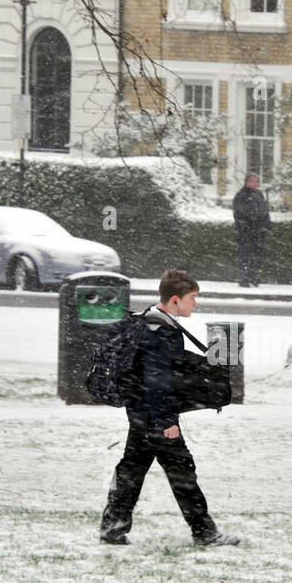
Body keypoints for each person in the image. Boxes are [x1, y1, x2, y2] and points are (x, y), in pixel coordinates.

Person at [99, 270, 241, 547]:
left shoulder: (149, 320)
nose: (195, 304)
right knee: (182, 472)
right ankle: (204, 532)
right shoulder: (160, 331)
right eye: (192, 298)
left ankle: (112, 527)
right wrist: (166, 421)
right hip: (155, 418)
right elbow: (157, 380)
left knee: (131, 470)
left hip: (141, 415)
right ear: (175, 300)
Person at [232, 173, 271, 287]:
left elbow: (264, 210)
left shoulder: (259, 194)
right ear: (247, 182)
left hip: (259, 231)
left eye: (256, 182)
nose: (255, 184)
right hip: (246, 232)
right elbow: (238, 213)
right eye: (253, 182)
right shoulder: (241, 195)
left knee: (258, 255)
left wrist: (266, 225)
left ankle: (253, 277)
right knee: (245, 255)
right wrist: (245, 225)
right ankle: (244, 278)